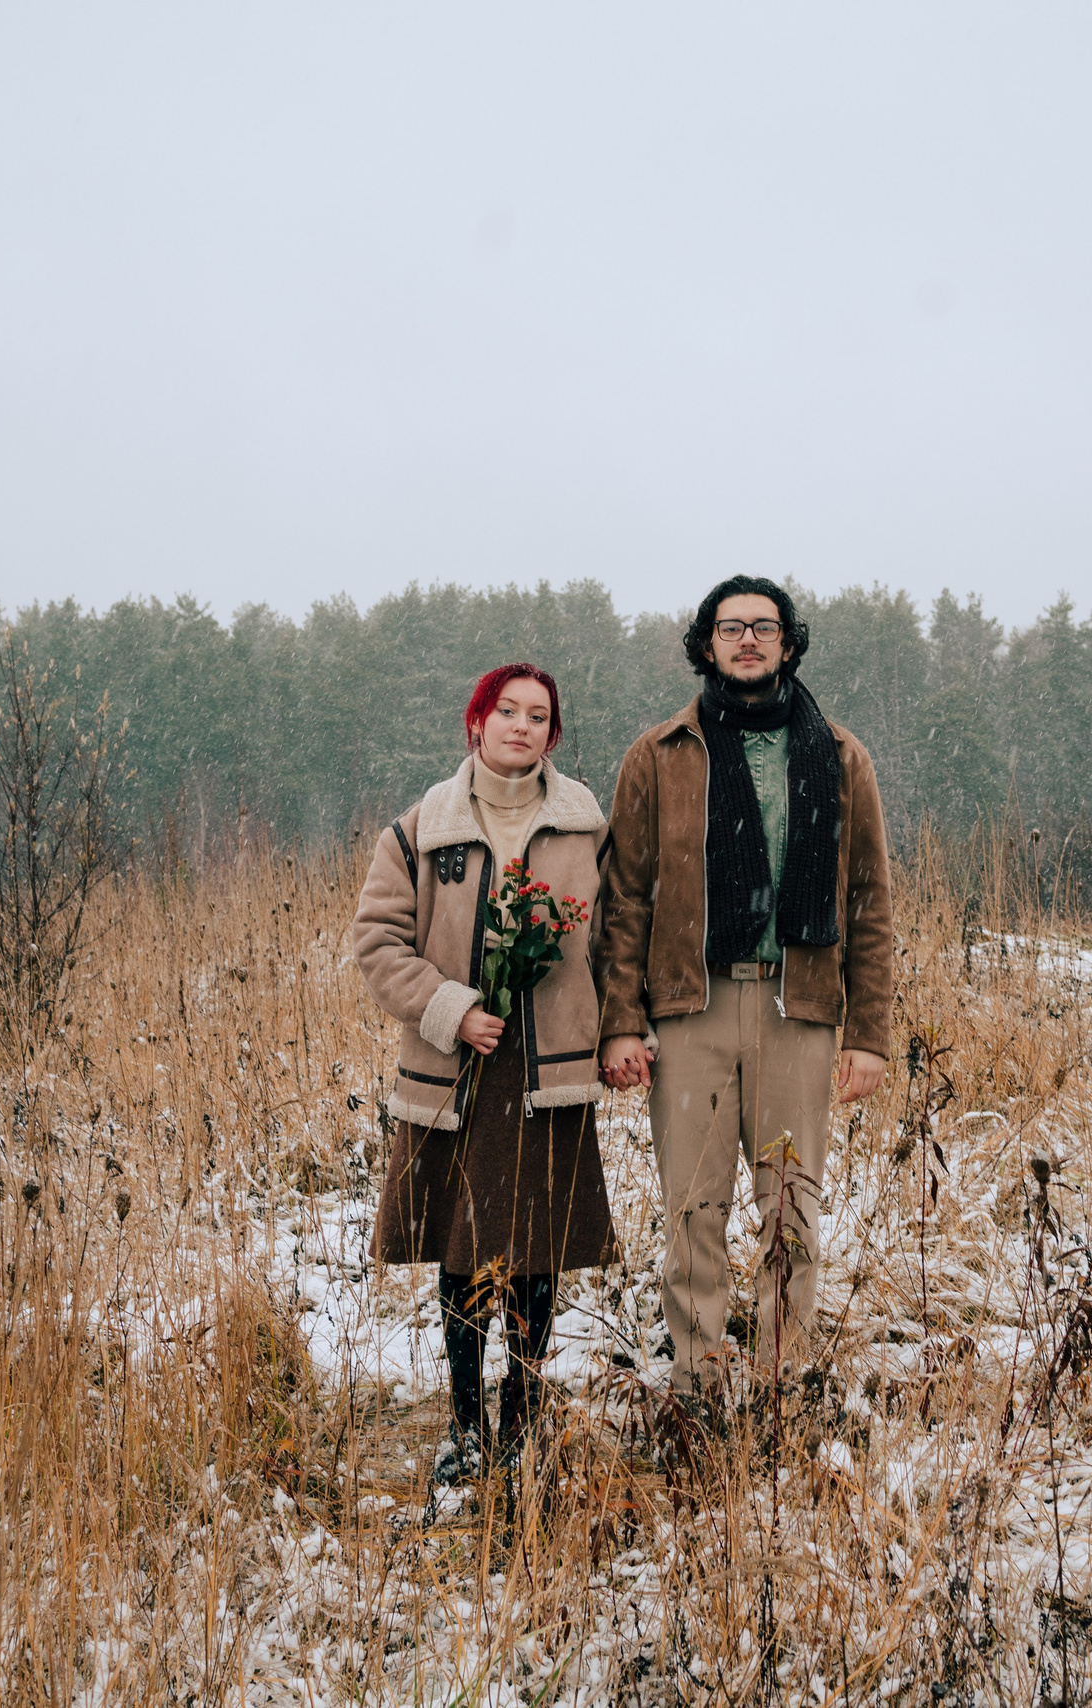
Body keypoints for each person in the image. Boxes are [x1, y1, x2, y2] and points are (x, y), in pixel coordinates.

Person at [596, 577, 892, 1402]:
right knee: (692, 1208)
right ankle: (695, 1385)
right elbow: (624, 900)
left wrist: (866, 1034)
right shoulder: (659, 755)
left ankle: (778, 1382)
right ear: (707, 644)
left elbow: (868, 901)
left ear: (789, 644)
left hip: (797, 1011)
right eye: (732, 628)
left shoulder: (837, 754)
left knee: (789, 1207)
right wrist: (621, 1021)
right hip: (689, 1010)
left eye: (764, 627)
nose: (749, 640)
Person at [351, 663, 617, 1487]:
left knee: (536, 1255)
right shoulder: (420, 829)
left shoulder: (584, 828)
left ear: (553, 734)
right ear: (477, 722)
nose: (522, 726)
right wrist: (452, 1008)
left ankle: (523, 1426)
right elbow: (378, 942)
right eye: (508, 711)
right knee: (463, 1254)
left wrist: (622, 1030)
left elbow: (617, 944)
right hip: (456, 1079)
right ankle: (467, 1431)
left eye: (539, 716)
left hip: (550, 1075)